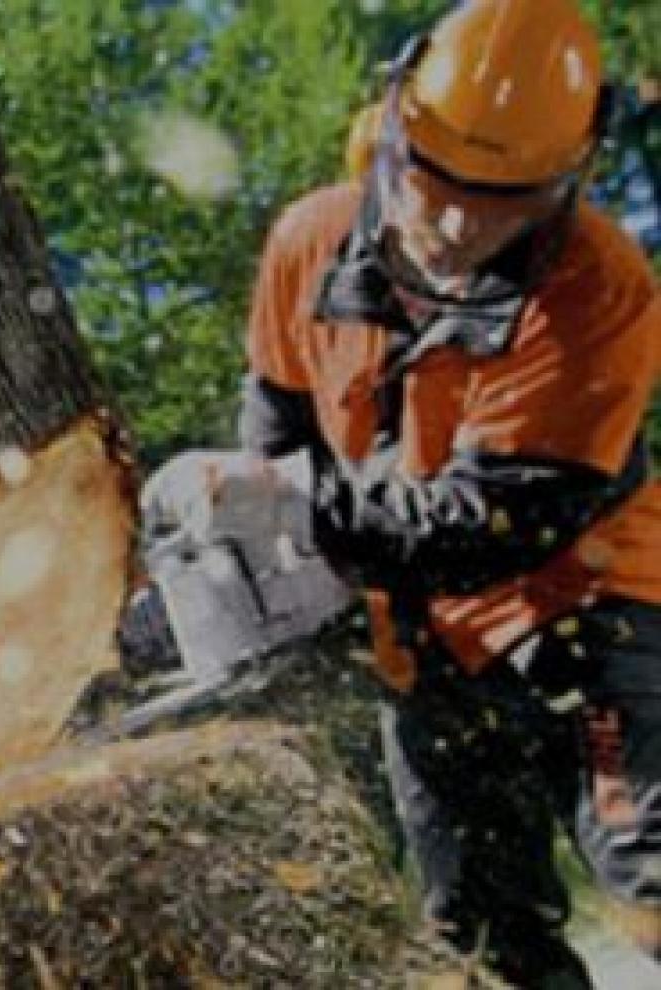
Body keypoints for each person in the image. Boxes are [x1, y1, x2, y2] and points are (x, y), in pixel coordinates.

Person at [238, 0, 661, 985]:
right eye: (440, 182)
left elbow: (494, 524)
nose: (465, 219)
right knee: (476, 937)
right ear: (392, 132)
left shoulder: (598, 285)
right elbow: (274, 446)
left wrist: (298, 510)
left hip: (585, 611)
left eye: (506, 196)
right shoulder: (308, 245)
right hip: (418, 645)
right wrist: (244, 553)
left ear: (566, 176)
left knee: (650, 871)